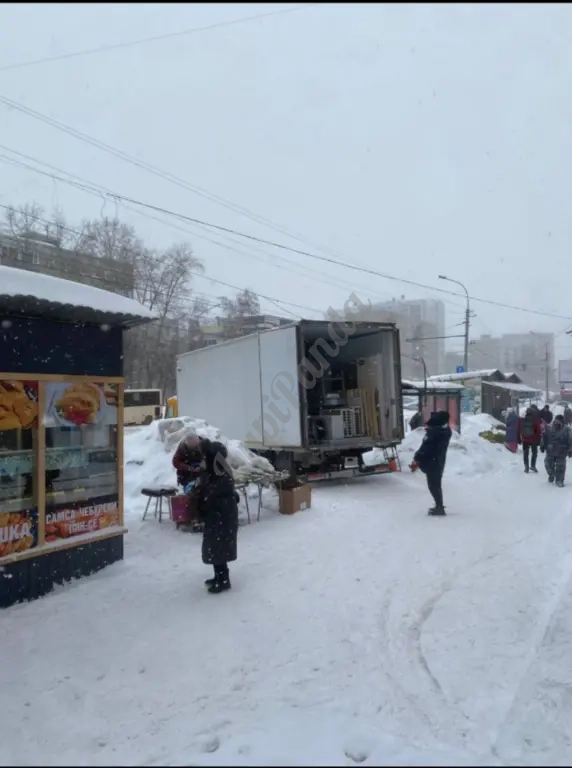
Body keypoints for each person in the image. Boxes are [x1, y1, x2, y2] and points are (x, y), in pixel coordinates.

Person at [198, 438, 240, 594]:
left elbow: (214, 491)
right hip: (217, 516)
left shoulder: (220, 474)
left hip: (221, 516)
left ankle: (224, 580)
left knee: (218, 547)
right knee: (215, 548)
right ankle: (218, 576)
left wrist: (205, 500)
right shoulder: (216, 470)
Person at [410, 410, 452, 516]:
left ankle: (439, 507)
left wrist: (417, 458)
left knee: (433, 484)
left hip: (433, 461)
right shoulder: (445, 431)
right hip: (438, 460)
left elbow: (426, 447)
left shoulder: (434, 433)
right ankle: (439, 505)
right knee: (436, 484)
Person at [540, 414, 572, 487]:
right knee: (548, 464)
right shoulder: (549, 428)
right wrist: (542, 445)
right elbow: (544, 436)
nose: (556, 423)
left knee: (560, 466)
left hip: (561, 451)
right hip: (550, 451)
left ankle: (559, 480)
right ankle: (552, 475)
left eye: (558, 421)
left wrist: (570, 449)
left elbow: (571, 440)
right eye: (555, 421)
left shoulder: (567, 429)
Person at [517, 406, 541, 473]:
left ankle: (526, 467)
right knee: (534, 453)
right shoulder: (535, 420)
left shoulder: (522, 420)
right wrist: (538, 440)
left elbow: (518, 429)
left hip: (525, 439)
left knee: (525, 453)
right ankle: (533, 466)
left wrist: (518, 439)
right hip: (533, 440)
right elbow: (538, 431)